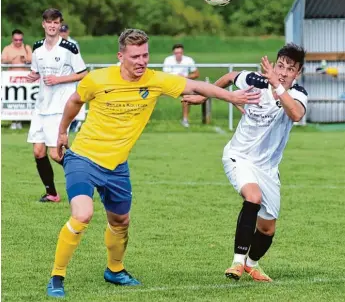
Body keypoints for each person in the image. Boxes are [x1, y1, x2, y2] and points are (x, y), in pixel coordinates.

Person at [46, 28, 261, 298]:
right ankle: (57, 276)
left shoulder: (155, 80)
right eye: (135, 56)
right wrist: (62, 132)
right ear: (120, 56)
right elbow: (74, 101)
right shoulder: (97, 79)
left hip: (118, 166)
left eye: (145, 55)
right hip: (83, 159)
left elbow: (195, 86)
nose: (141, 61)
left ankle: (114, 270)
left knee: (121, 221)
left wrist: (231, 96)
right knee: (82, 214)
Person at [183, 43, 307, 282]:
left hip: (268, 168)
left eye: (289, 69)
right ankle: (237, 262)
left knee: (267, 229)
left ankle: (252, 264)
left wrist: (278, 86)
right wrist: (203, 96)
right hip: (238, 156)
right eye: (280, 65)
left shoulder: (297, 94)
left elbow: (297, 114)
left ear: (297, 73)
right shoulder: (256, 81)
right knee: (253, 197)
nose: (282, 71)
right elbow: (231, 77)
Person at [26, 8, 87, 203]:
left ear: (60, 25)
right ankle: (51, 193)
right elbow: (37, 72)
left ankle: (87, 177)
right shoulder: (37, 48)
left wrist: (60, 79)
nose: (52, 25)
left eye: (56, 22)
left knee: (55, 153)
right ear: (43, 24)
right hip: (41, 106)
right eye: (49, 22)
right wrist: (33, 76)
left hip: (59, 107)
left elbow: (83, 73)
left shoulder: (69, 48)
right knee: (38, 151)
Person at [1, 29, 33, 129]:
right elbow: (3, 60)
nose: (18, 42)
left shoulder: (26, 47)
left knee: (23, 98)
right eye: (16, 40)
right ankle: (14, 121)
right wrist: (13, 58)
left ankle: (21, 120)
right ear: (12, 39)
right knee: (12, 98)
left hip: (25, 78)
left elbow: (32, 60)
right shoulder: (7, 49)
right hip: (11, 78)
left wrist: (25, 59)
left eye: (20, 40)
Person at [163, 44, 199, 127]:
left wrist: (186, 76)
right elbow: (165, 76)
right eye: (176, 53)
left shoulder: (189, 60)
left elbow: (196, 74)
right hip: (170, 84)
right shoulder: (168, 60)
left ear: (182, 52)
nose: (178, 55)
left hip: (184, 84)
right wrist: (176, 76)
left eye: (180, 52)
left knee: (187, 96)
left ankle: (185, 120)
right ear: (173, 53)